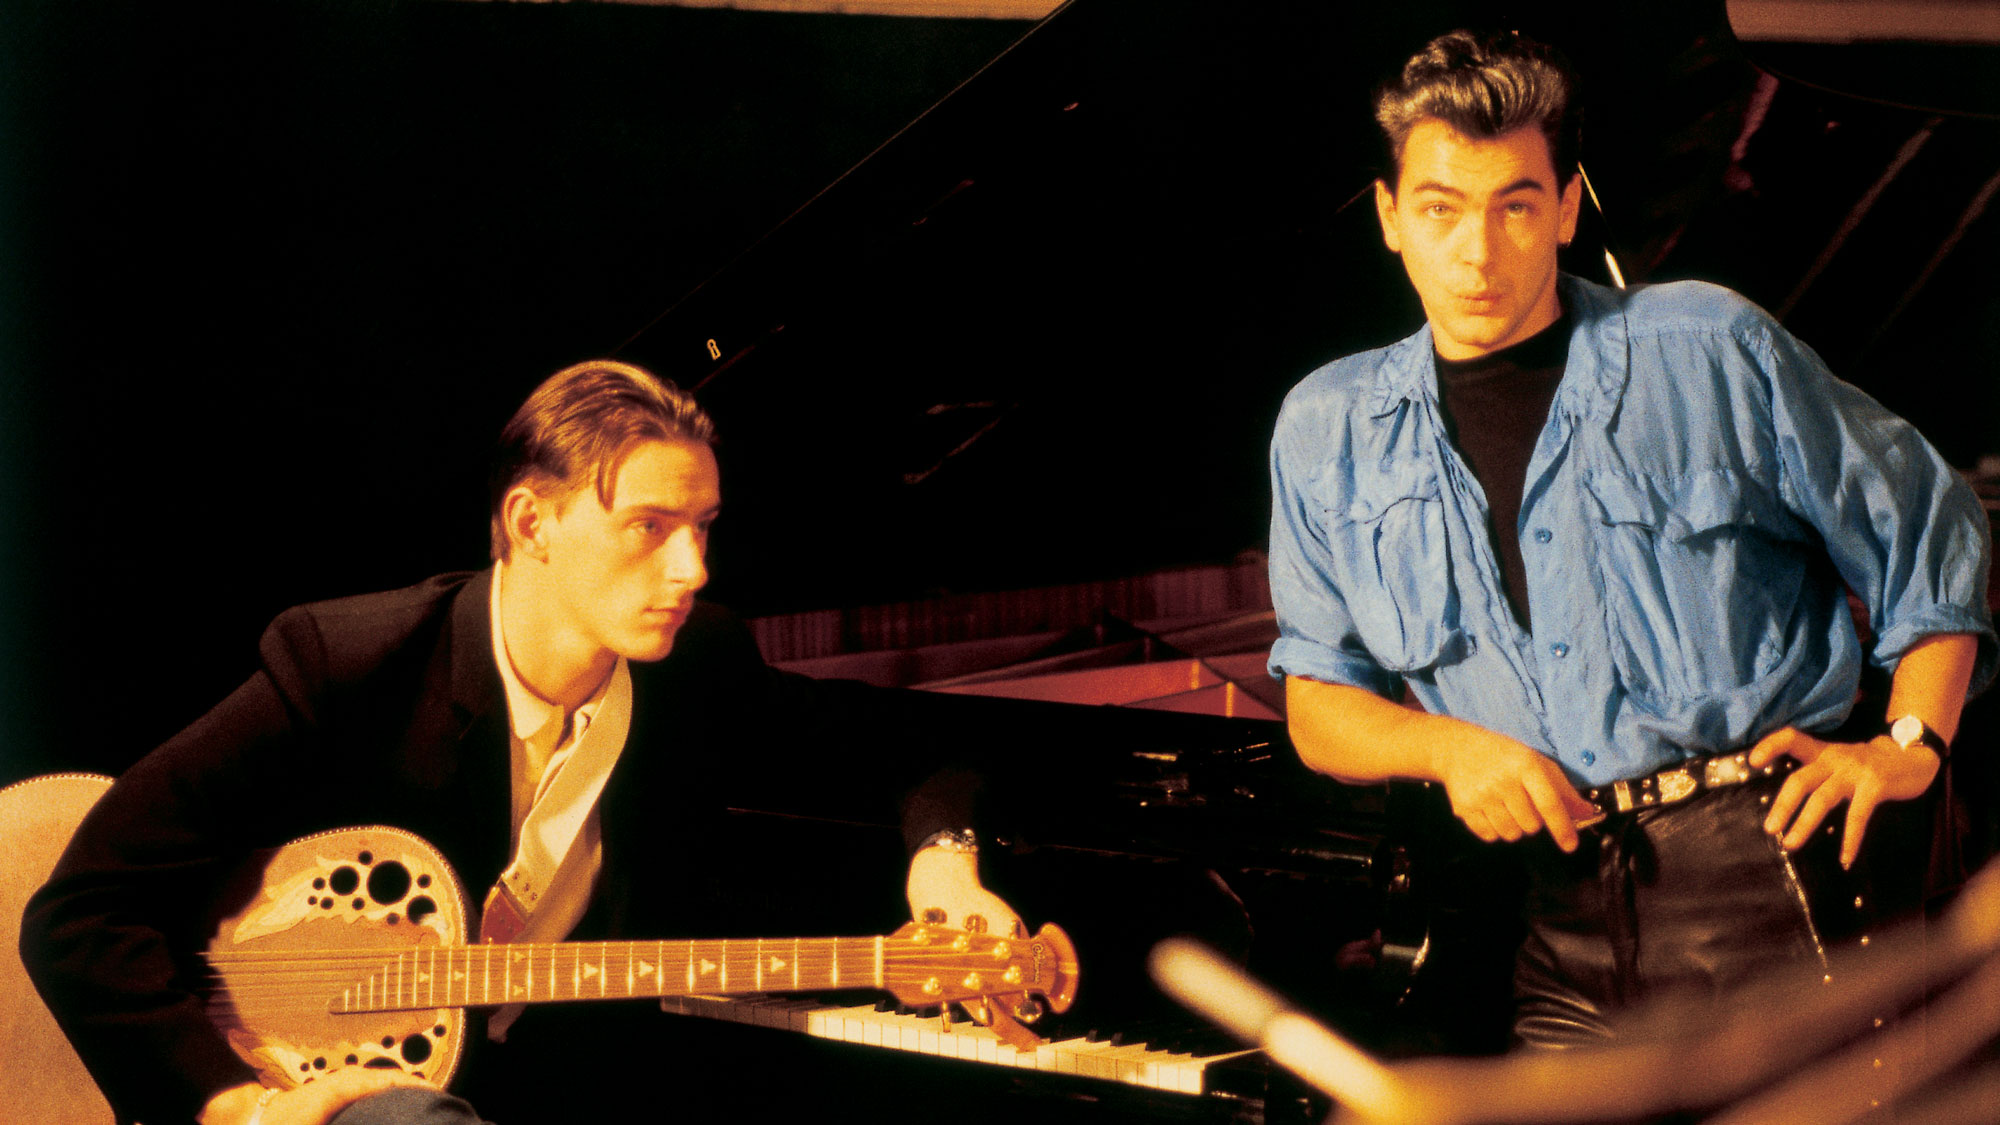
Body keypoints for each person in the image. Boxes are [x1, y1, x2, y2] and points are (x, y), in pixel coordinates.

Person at [22, 359, 1019, 1124]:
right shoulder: (349, 664)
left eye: (705, 526)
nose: (694, 568)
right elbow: (76, 916)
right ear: (532, 522)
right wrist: (237, 1104)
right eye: (651, 526)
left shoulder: (697, 662)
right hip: (330, 1093)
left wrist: (945, 860)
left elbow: (912, 743)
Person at [1266, 30, 1995, 1045]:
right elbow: (1318, 704)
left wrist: (1907, 745)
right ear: (1390, 217)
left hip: (1768, 886)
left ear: (1566, 208)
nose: (1476, 252)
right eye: (1439, 209)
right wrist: (1449, 750)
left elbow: (1930, 530)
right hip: (1547, 919)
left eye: (1515, 206)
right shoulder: (1325, 427)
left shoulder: (1708, 347)